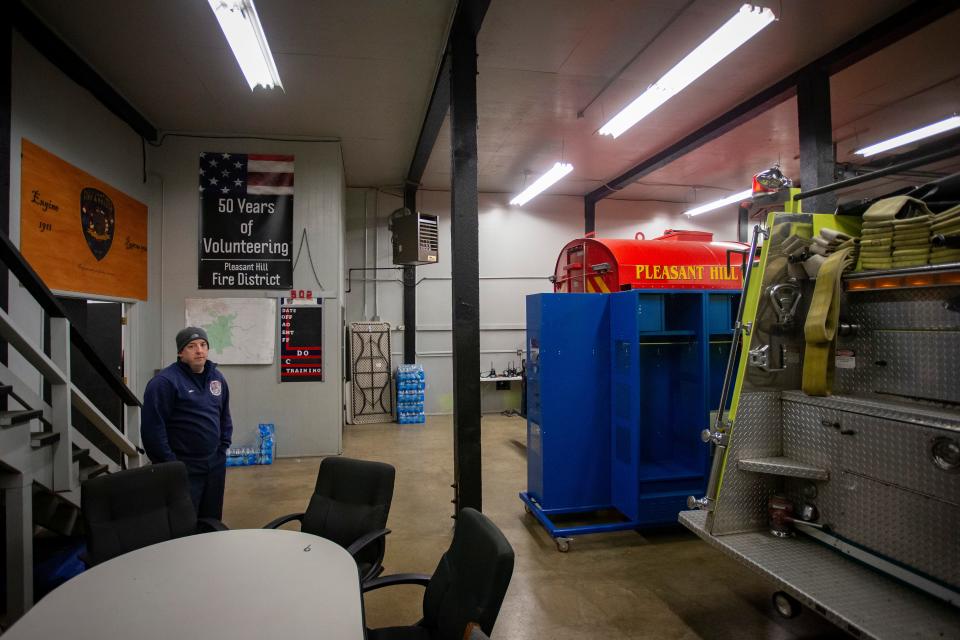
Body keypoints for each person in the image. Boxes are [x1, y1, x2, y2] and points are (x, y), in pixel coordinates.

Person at [141, 327, 233, 520]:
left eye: (203, 345)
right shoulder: (164, 382)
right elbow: (153, 430)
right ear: (180, 352)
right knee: (184, 523)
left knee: (212, 520)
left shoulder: (216, 378)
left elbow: (224, 415)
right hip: (184, 468)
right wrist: (172, 464)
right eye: (191, 346)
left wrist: (222, 448)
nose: (199, 350)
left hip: (214, 465)